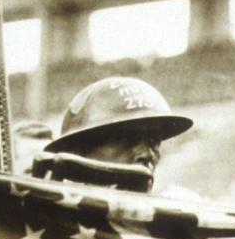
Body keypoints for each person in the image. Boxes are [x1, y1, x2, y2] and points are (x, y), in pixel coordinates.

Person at [38, 77, 192, 193]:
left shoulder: (173, 212)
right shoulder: (48, 218)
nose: (146, 153)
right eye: (127, 139)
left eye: (154, 141)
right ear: (78, 151)